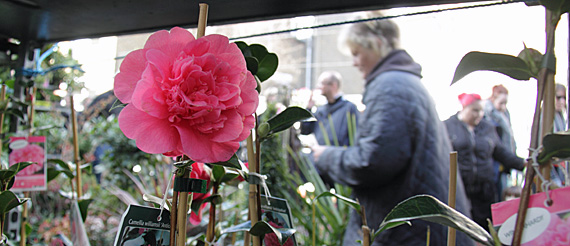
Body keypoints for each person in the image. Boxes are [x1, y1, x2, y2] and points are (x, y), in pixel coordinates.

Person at [312, 15, 473, 246]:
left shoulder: (391, 86)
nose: (355, 63)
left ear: (376, 44)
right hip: (422, 227)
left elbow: (373, 161)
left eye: (357, 53)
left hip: (409, 233)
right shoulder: (405, 82)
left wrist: (325, 156)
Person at [444, 93, 525, 230]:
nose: (479, 114)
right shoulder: (447, 126)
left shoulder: (487, 128)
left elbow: (501, 153)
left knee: (484, 228)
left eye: (481, 110)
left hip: (484, 190)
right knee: (459, 229)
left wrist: (522, 163)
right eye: (475, 110)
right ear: (464, 108)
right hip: (459, 189)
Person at [301, 71, 359, 147]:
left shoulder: (349, 109)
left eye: (322, 83)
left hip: (340, 156)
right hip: (322, 156)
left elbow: (356, 137)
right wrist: (309, 108)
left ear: (333, 85)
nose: (319, 87)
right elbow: (305, 130)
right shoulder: (320, 111)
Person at [483, 85, 517, 201]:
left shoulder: (505, 114)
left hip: (505, 159)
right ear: (493, 98)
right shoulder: (486, 114)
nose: (503, 107)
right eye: (501, 103)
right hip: (494, 162)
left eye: (505, 103)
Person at [551, 83, 567, 186]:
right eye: (558, 97)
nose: (562, 101)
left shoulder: (561, 117)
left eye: (564, 98)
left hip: (560, 167)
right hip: (550, 168)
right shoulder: (545, 116)